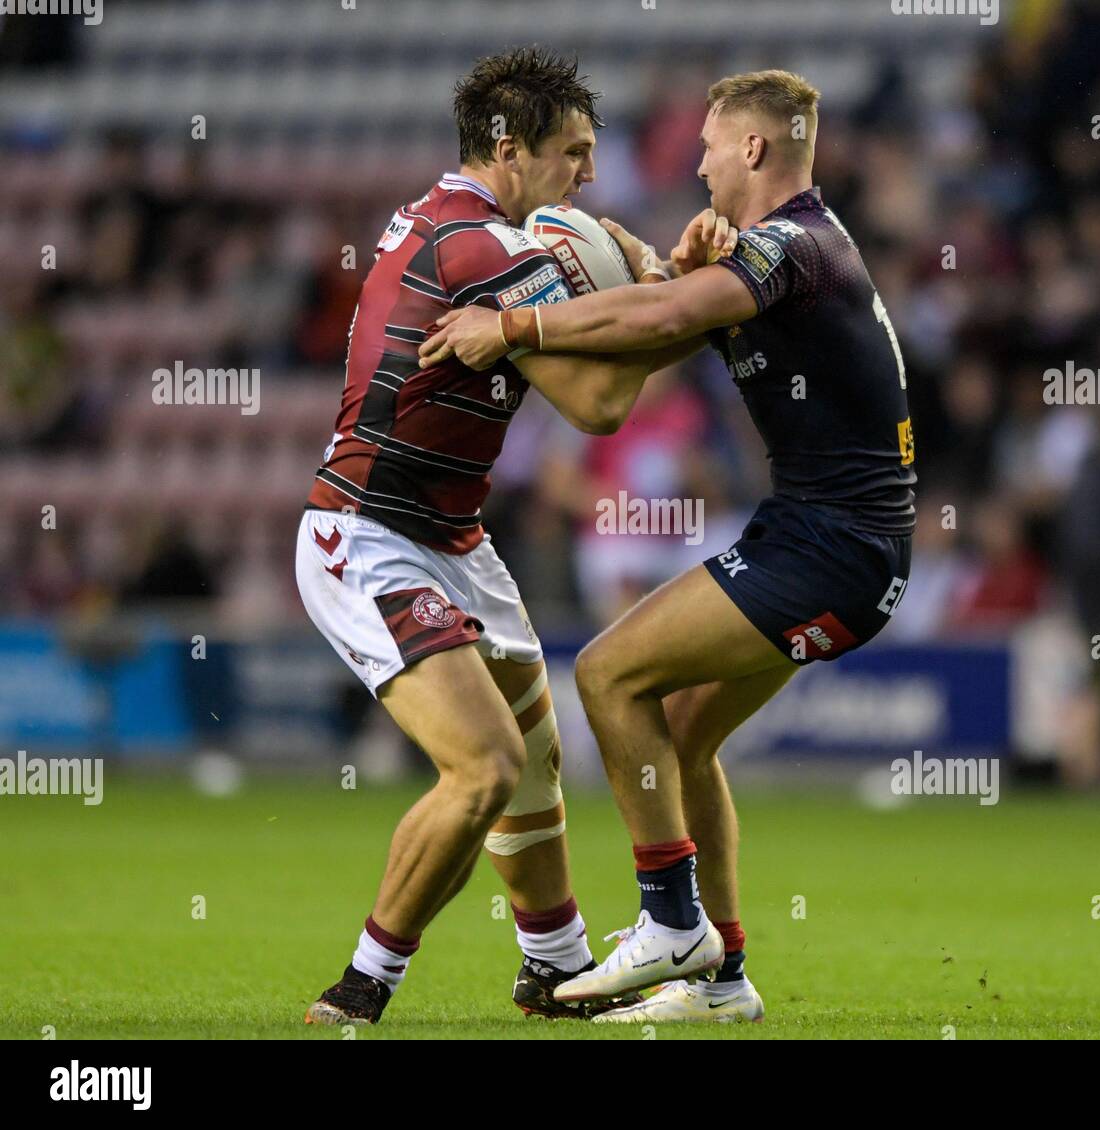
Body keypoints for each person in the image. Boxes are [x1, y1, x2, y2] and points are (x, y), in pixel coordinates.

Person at [421, 69, 918, 1023]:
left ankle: (669, 921)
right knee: (684, 740)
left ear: (755, 150)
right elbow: (668, 319)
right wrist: (680, 271)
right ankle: (721, 982)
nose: (694, 162)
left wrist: (513, 323)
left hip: (833, 547)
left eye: (707, 144)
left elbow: (661, 322)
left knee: (608, 676)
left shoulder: (792, 244)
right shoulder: (790, 250)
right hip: (831, 539)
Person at [296, 47, 727, 1026]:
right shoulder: (486, 250)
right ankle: (359, 988)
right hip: (366, 533)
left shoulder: (435, 219)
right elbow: (603, 406)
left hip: (452, 537)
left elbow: (594, 377)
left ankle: (553, 966)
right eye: (572, 151)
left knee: (533, 762)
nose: (586, 173)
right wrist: (696, 307)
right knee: (485, 766)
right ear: (508, 146)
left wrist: (650, 299)